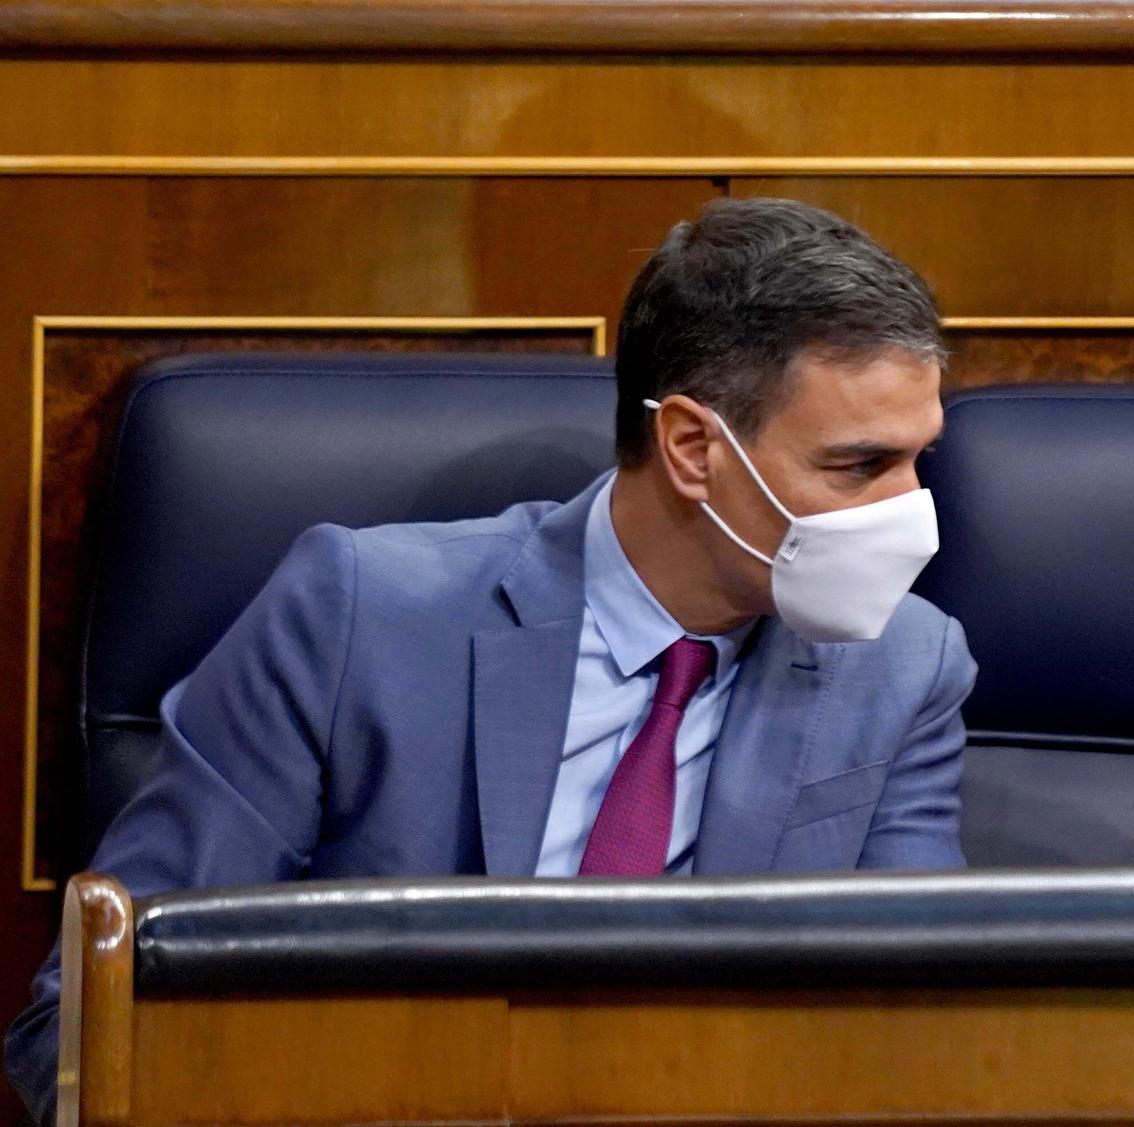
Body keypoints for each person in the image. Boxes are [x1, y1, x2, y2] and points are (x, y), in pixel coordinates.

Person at [6, 197, 976, 1123]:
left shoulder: (902, 666)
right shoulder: (358, 617)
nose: (910, 511)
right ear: (691, 447)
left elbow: (912, 1032)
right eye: (860, 465)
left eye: (917, 457)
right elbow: (96, 1019)